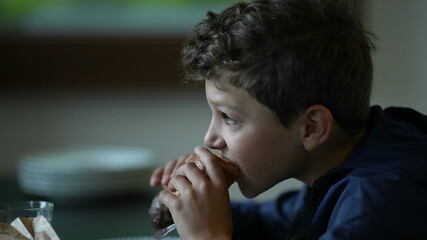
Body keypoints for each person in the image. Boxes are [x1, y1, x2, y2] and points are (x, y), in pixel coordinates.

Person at [149, 0, 427, 239]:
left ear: (311, 128)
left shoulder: (377, 204)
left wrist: (208, 236)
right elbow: (268, 223)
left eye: (229, 118)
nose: (210, 138)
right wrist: (185, 205)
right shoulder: (341, 163)